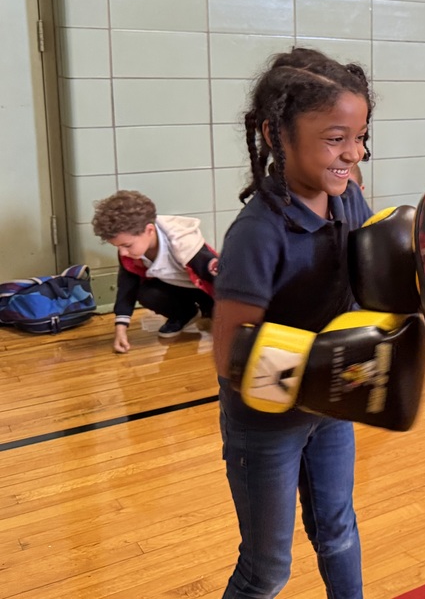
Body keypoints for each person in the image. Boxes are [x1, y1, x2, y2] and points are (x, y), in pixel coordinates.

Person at [212, 47, 375, 598]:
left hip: (331, 409)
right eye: (335, 138)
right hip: (265, 426)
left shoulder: (348, 198)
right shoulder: (258, 233)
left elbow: (371, 284)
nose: (352, 153)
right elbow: (229, 355)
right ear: (276, 134)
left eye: (359, 136)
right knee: (268, 569)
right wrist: (324, 368)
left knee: (338, 532)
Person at [91, 190, 217, 353]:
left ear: (149, 230)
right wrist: (120, 329)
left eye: (127, 245)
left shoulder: (185, 244)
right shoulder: (130, 251)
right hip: (179, 288)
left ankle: (209, 311)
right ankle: (186, 314)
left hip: (209, 292)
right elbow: (127, 288)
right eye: (118, 247)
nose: (122, 252)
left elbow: (223, 282)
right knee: (146, 293)